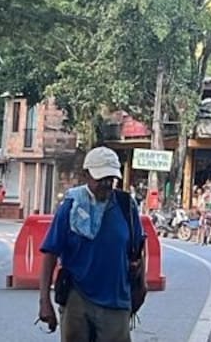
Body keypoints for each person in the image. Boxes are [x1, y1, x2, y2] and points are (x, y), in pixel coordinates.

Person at [38, 146, 145, 341]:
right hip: (77, 297)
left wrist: (141, 286)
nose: (105, 184)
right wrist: (44, 301)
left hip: (116, 299)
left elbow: (138, 249)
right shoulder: (71, 206)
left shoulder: (126, 207)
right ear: (86, 175)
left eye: (110, 179)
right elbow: (50, 253)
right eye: (100, 178)